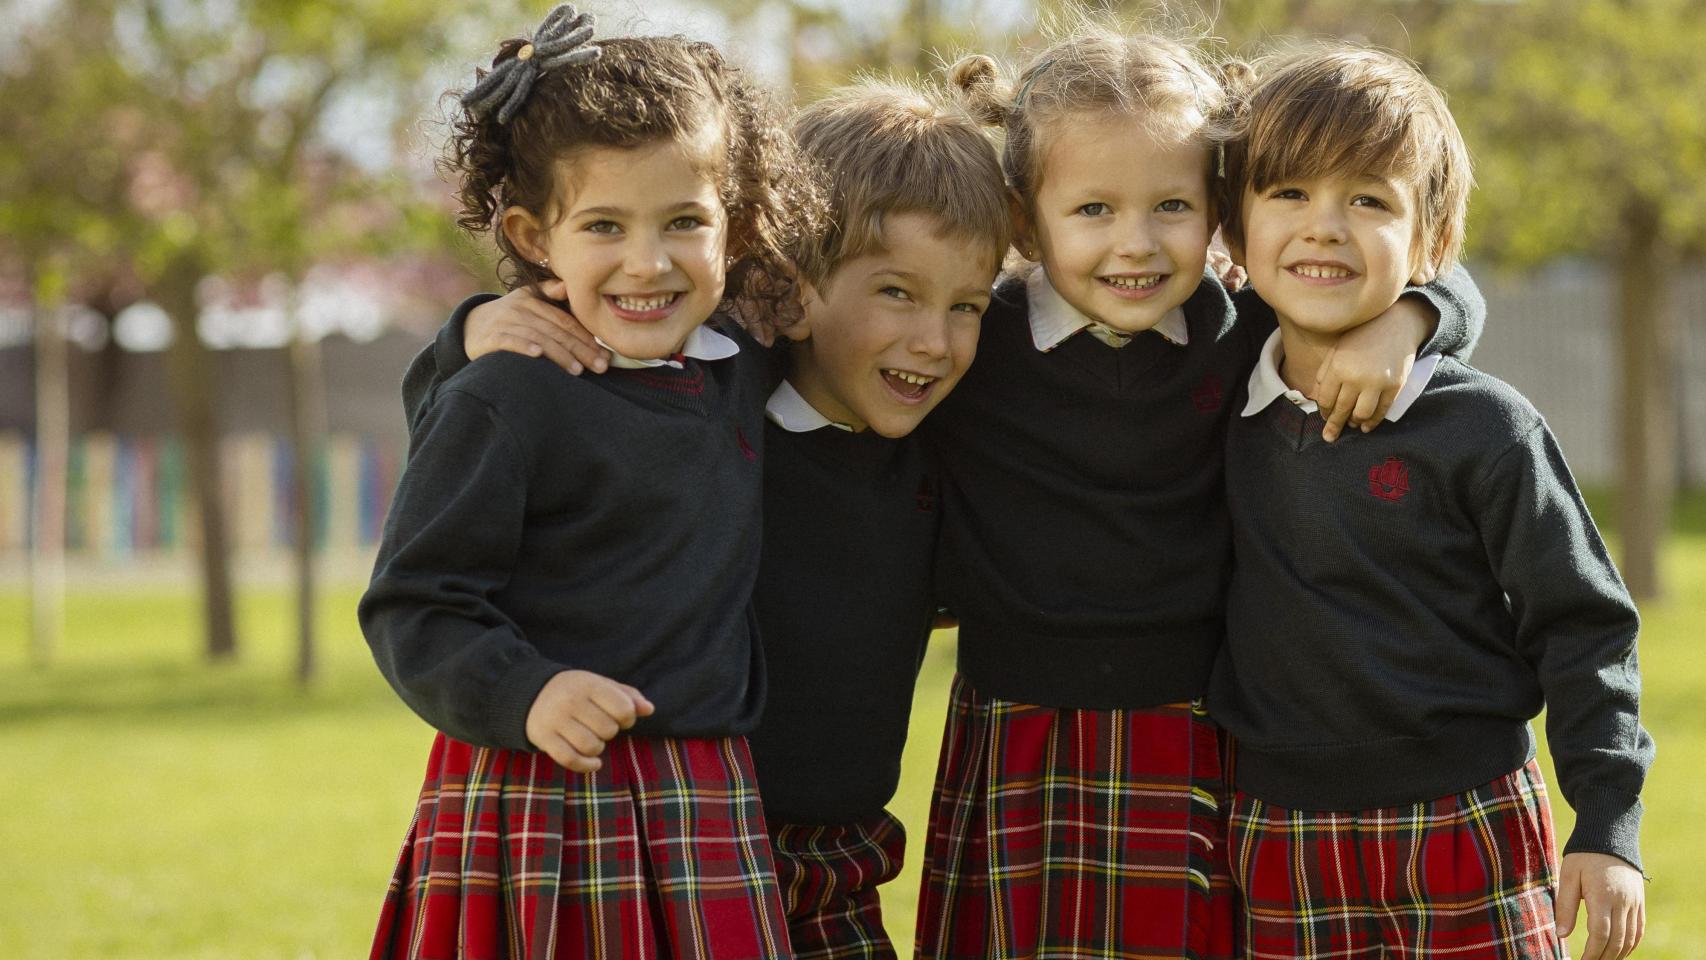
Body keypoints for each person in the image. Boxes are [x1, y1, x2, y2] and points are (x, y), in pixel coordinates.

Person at [911, 21, 1485, 960]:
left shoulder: (1243, 325)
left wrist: (1412, 321)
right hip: (1017, 727)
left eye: (1170, 206)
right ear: (1023, 219)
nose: (1134, 245)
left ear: (1218, 211)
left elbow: (1437, 266)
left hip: (1194, 725)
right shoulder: (980, 338)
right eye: (1092, 210)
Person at [405, 76, 1012, 960]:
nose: (935, 339)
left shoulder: (946, 439)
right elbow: (489, 436)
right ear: (792, 287)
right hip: (685, 833)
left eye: (967, 306)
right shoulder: (703, 402)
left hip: (843, 855)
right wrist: (468, 336)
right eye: (896, 293)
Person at [358, 6, 822, 958]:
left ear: (733, 227)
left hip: (706, 793)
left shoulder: (739, 365)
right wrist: (526, 692)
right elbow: (414, 603)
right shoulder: (508, 396)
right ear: (534, 235)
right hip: (545, 795)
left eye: (685, 221)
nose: (647, 262)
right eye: (604, 224)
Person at [1209, 45, 1652, 960]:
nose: (1323, 227)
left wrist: (1608, 824)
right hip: (1280, 830)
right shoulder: (1206, 392)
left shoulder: (1486, 427)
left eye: (1368, 200)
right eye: (1288, 193)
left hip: (1470, 814)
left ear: (1431, 244)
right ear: (1233, 228)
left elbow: (1583, 624)